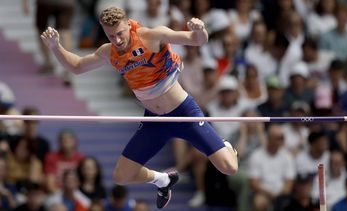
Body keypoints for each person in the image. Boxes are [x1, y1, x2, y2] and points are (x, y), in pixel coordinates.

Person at [40, 6, 238, 209]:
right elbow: (77, 67)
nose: (116, 40)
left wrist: (199, 29)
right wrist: (56, 47)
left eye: (119, 33)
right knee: (121, 176)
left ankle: (227, 146)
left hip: (183, 113)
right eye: (110, 36)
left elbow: (197, 40)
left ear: (128, 24)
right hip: (155, 121)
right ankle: (163, 180)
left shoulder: (153, 35)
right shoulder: (109, 52)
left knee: (230, 167)